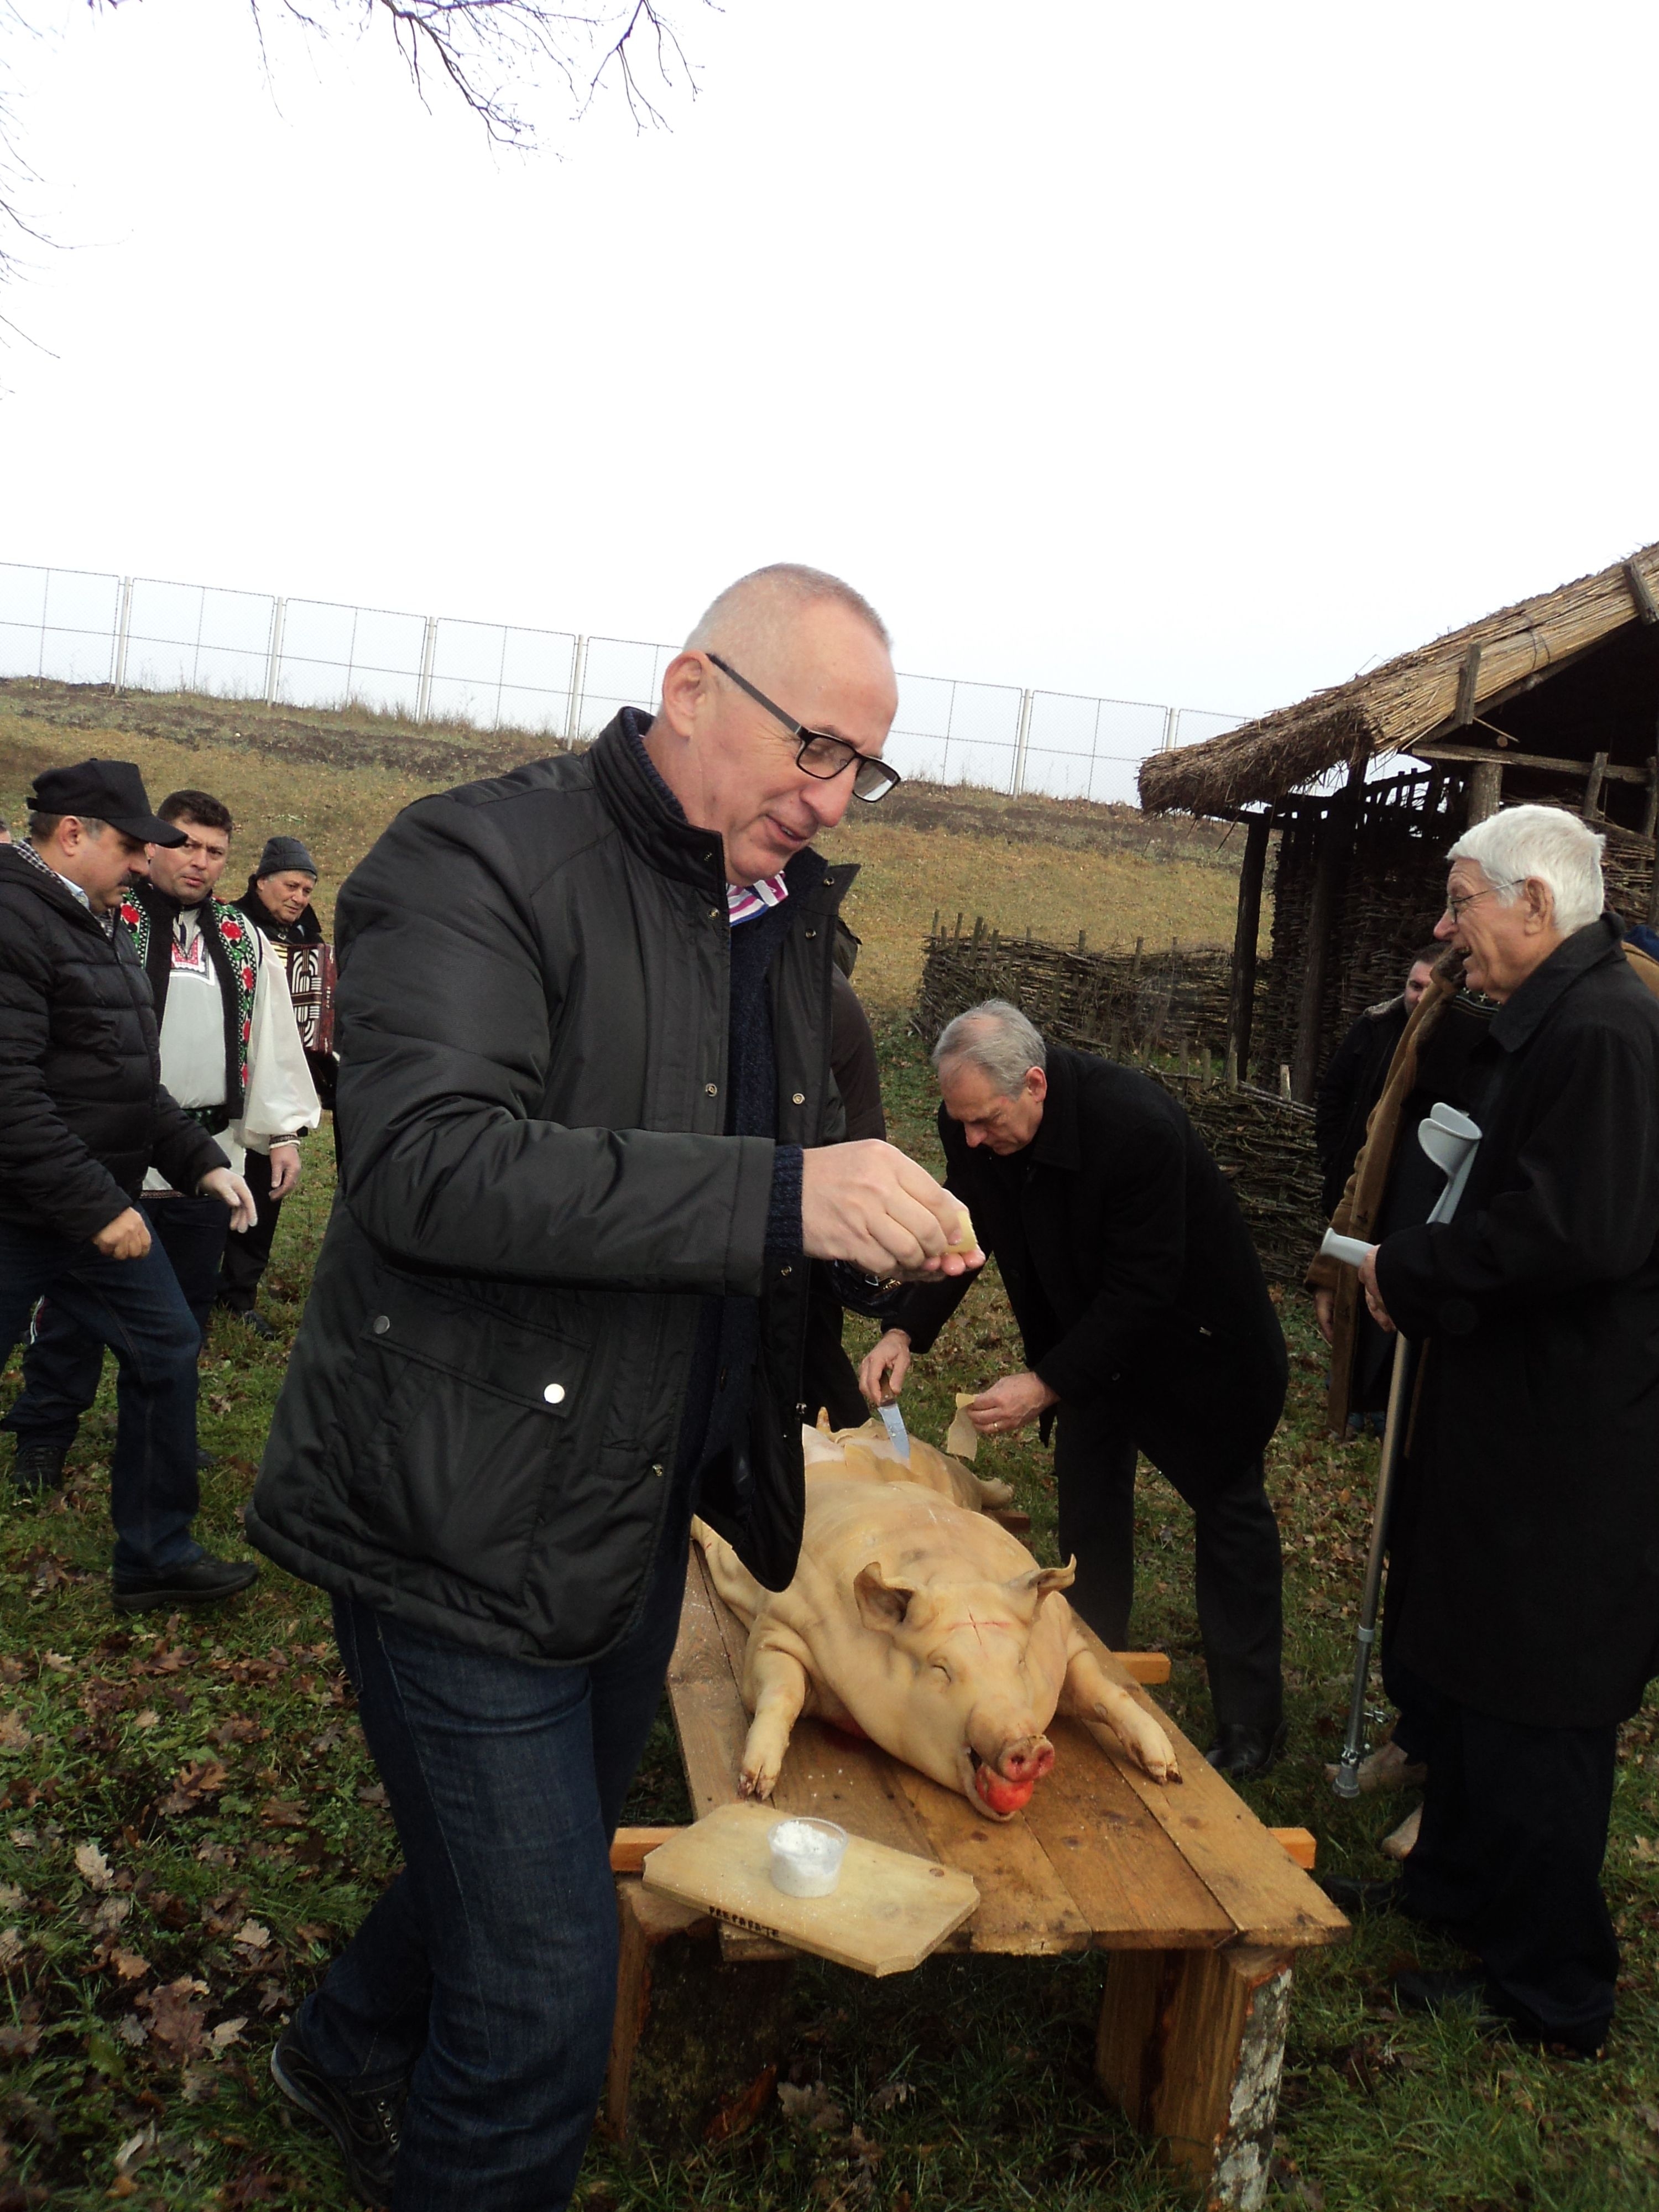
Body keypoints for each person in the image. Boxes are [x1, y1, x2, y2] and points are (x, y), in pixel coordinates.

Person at [244, 565, 979, 2211]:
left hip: (631, 1510)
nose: (832, 792)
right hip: (459, 1508)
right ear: (690, 687)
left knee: (501, 1875)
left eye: (864, 764)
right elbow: (430, 1170)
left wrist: (875, 1261)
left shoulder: (780, 922)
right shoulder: (475, 859)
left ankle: (340, 2049)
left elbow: (734, 1196)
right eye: (814, 744)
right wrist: (786, 1196)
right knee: (540, 2002)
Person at [1326, 805, 1659, 2057]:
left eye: (1461, 899)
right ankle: (1454, 1893)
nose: (1445, 923)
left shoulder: (1609, 1032)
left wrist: (1417, 1269)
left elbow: (1575, 1231)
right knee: (1464, 1673)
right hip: (1503, 1426)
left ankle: (1552, 1986)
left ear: (1533, 903)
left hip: (1572, 1449)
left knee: (1535, 1710)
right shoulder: (1548, 1021)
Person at [859, 998, 1290, 1778]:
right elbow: (966, 1230)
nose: (972, 1140)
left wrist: (1045, 1382)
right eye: (961, 1124)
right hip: (1089, 1348)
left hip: (1198, 1350)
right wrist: (903, 1330)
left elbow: (1144, 1288)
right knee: (1089, 1507)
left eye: (985, 1123)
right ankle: (1089, 1668)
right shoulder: (978, 1117)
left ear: (1035, 1084)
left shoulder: (1137, 1128)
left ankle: (1251, 1727)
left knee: (1231, 1521)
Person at [3, 789, 320, 1488]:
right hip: (107, 1153)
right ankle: (45, 1430)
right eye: (185, 845)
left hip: (204, 1147)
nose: (199, 863)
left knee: (181, 1306)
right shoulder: (109, 919)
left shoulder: (241, 938)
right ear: (152, 844)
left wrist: (280, 1131)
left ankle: (160, 1434)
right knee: (76, 1312)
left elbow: (269, 1039)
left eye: (215, 852)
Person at [0, 759, 260, 1610]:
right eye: (129, 847)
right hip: (21, 1209)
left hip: (80, 1205)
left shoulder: (93, 922)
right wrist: (101, 1206)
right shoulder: (13, 919)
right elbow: (10, 1094)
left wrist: (202, 1159)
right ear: (72, 834)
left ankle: (154, 1556)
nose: (143, 866)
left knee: (168, 1346)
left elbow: (121, 1082)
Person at [223, 833, 337, 1328]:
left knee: (270, 1188)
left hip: (287, 1084)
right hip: (232, 1079)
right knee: (220, 1180)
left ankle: (238, 1294)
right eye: (291, 886)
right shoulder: (227, 926)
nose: (298, 898)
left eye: (307, 891)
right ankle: (197, 1279)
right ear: (262, 881)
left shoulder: (310, 940)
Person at [801, 925, 889, 1428]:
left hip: (833, 1175)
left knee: (805, 1331)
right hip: (836, 1167)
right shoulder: (811, 975)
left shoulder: (811, 992)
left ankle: (863, 1447)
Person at [1313, 943, 1439, 1218]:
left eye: (1431, 990)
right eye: (1415, 986)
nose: (1420, 998)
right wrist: (1333, 1158)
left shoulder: (1451, 1045)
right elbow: (1333, 1093)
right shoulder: (1374, 1027)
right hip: (1352, 1181)